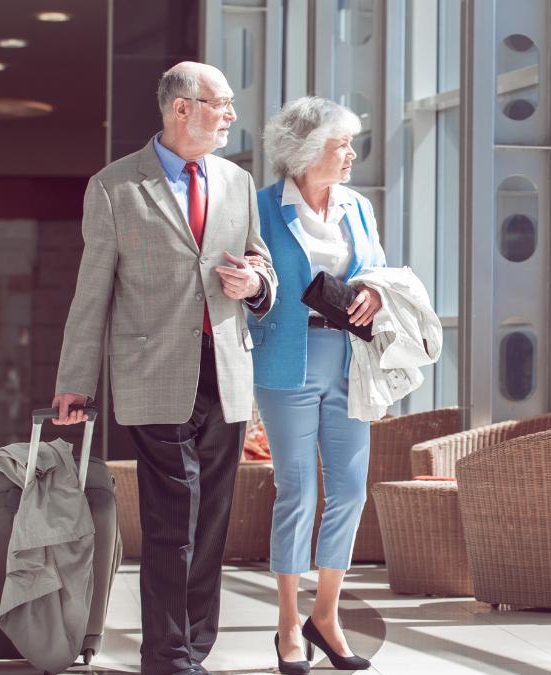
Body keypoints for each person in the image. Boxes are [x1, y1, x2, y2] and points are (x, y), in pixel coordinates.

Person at [50, 62, 278, 675]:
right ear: (183, 108)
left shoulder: (236, 181)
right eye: (221, 103)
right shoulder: (114, 187)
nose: (231, 113)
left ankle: (194, 648)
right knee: (173, 515)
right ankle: (167, 654)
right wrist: (74, 381)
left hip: (226, 374)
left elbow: (263, 266)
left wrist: (256, 283)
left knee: (212, 521)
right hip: (153, 374)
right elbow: (91, 293)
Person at [249, 97, 384, 674]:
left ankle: (324, 616)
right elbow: (254, 277)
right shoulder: (258, 208)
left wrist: (375, 291)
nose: (351, 154)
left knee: (351, 489)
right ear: (306, 152)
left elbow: (378, 268)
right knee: (297, 490)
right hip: (287, 360)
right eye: (341, 145)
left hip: (350, 360)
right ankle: (285, 626)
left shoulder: (358, 206)